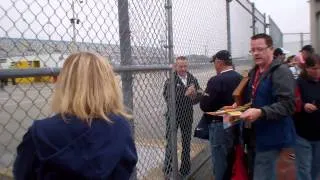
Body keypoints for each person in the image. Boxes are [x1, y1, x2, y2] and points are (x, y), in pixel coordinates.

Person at [13, 52, 138, 180]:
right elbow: (127, 165)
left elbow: (23, 173)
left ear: (65, 84)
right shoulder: (120, 126)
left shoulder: (40, 134)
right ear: (109, 85)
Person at [239, 33, 296, 180]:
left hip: (275, 142)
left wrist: (261, 112)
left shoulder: (281, 71)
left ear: (271, 49)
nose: (256, 53)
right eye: (253, 50)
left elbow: (288, 105)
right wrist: (238, 106)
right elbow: (253, 98)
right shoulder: (255, 72)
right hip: (256, 140)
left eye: (260, 49)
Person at [200, 50, 242, 180]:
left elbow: (205, 105)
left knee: (220, 161)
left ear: (219, 62)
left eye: (215, 63)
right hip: (235, 121)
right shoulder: (240, 78)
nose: (214, 66)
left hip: (219, 124)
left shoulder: (216, 80)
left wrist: (203, 95)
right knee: (231, 157)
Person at [163, 56, 202, 177]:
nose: (183, 68)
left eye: (185, 66)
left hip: (187, 115)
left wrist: (195, 95)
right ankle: (168, 168)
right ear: (175, 66)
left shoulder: (192, 78)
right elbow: (168, 98)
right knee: (171, 142)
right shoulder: (171, 80)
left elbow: (198, 97)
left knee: (186, 141)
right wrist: (185, 93)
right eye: (181, 66)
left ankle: (185, 168)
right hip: (173, 116)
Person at [294, 54, 320, 180]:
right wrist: (304, 106)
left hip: (318, 134)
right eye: (314, 68)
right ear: (307, 68)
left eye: (319, 68)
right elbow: (293, 103)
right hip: (302, 134)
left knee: (316, 167)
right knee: (303, 168)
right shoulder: (299, 83)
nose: (317, 72)